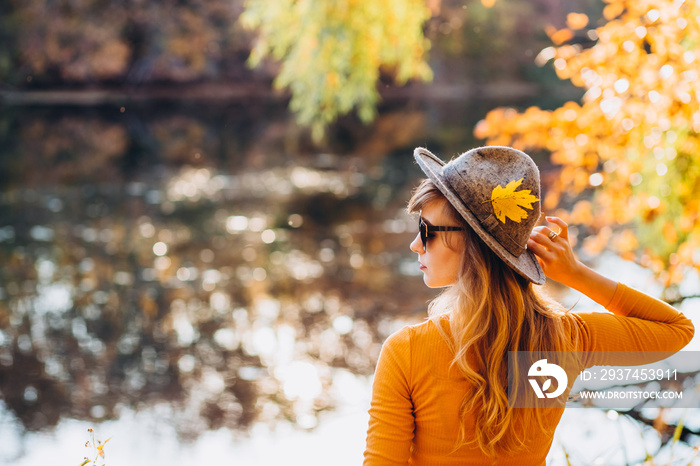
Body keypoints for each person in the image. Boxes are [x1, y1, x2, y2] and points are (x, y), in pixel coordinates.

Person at [363, 146, 694, 465]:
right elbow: (677, 330)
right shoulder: (566, 340)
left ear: (472, 242)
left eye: (426, 230)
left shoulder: (406, 352)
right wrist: (576, 274)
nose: (414, 244)